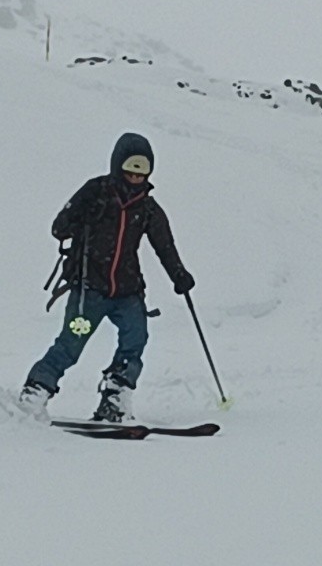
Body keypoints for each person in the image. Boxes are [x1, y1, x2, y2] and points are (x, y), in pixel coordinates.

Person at [18, 132, 196, 422]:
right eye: (130, 170)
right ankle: (36, 390)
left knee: (135, 342)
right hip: (90, 290)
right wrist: (78, 218)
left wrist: (179, 275)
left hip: (128, 292)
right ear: (118, 166)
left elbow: (165, 246)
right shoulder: (96, 192)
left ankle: (115, 397)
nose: (136, 178)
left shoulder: (148, 208)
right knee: (72, 342)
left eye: (142, 172)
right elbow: (59, 227)